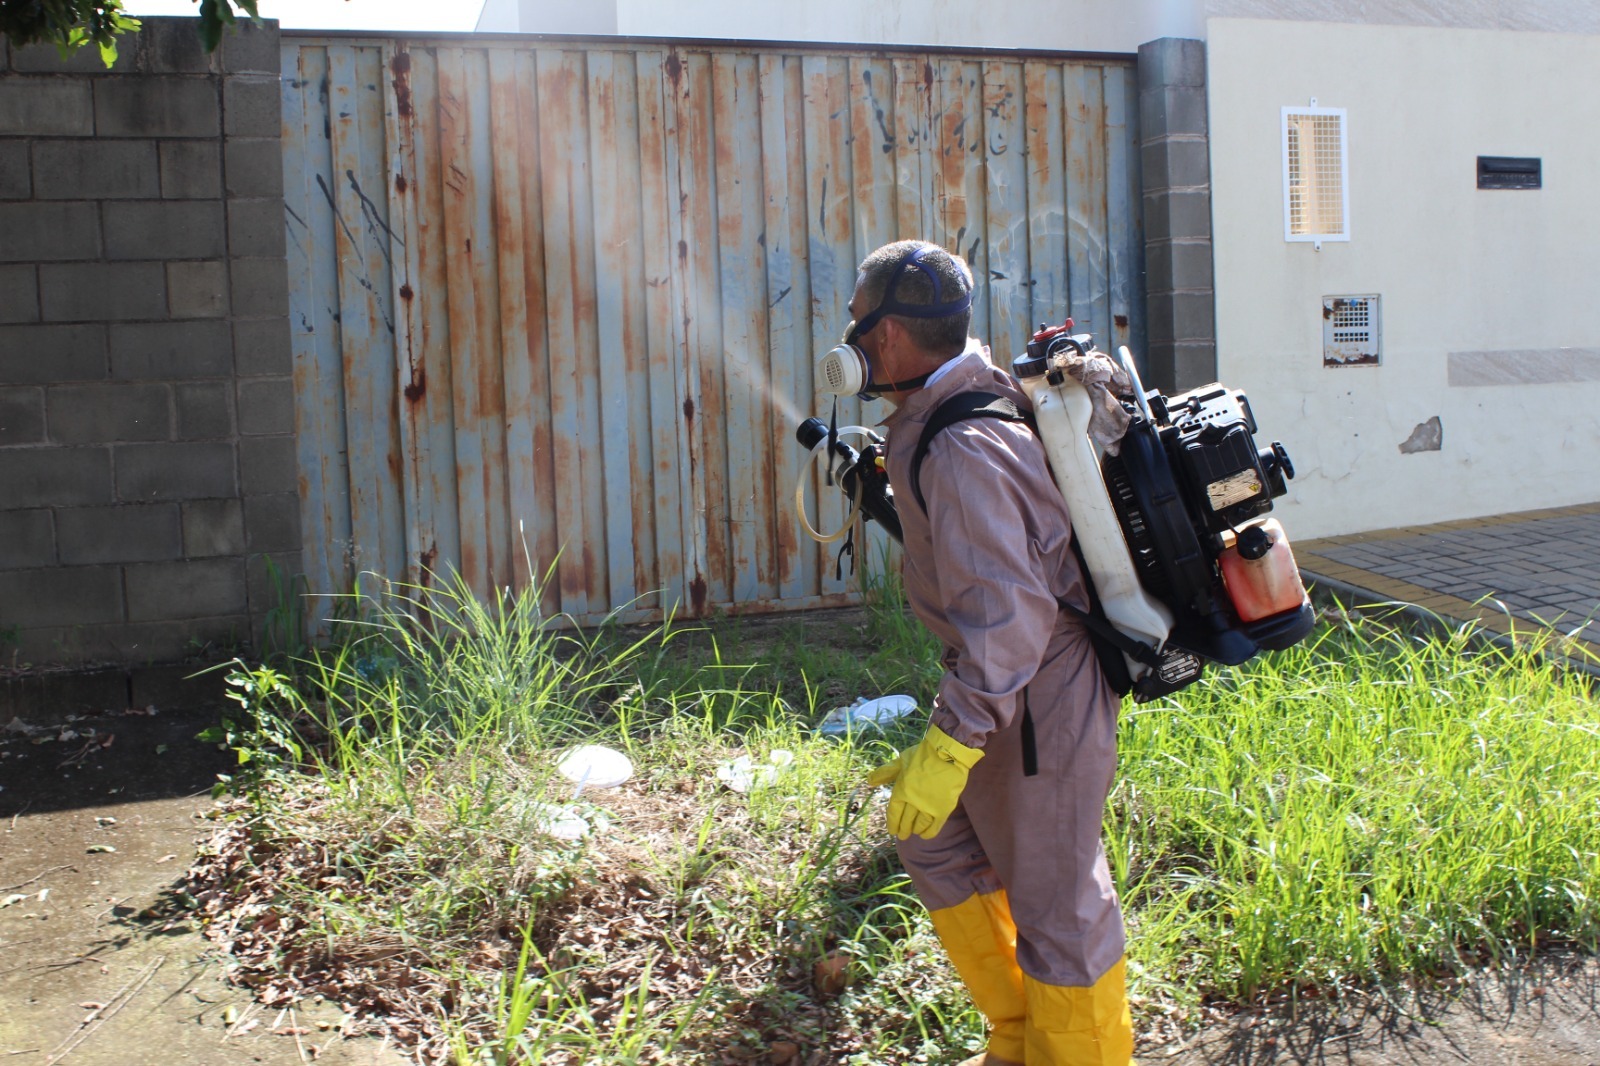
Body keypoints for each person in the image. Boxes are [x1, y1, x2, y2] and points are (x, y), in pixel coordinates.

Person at [840, 239, 1135, 1066]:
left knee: (1057, 903)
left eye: (856, 323)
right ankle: (1019, 1037)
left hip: (1039, 693)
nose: (849, 341)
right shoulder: (957, 401)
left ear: (887, 334)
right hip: (1013, 684)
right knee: (933, 839)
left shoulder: (961, 442)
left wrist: (951, 744)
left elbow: (1009, 618)